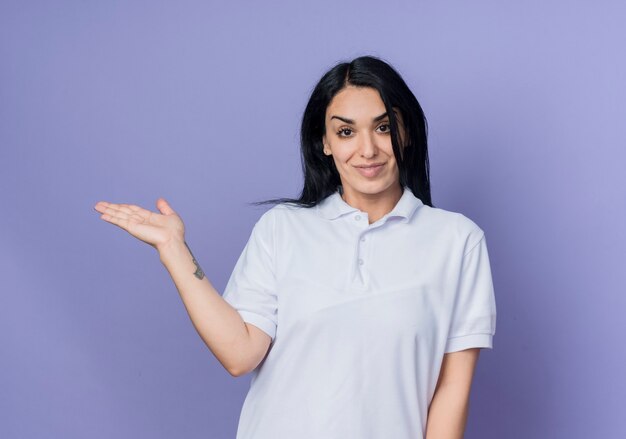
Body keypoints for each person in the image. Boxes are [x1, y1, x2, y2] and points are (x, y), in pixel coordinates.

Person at [93, 55, 497, 439]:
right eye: (345, 132)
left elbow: (451, 391)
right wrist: (174, 250)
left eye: (383, 127)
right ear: (324, 142)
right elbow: (240, 354)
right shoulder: (282, 228)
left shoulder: (457, 241)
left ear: (406, 133)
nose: (367, 149)